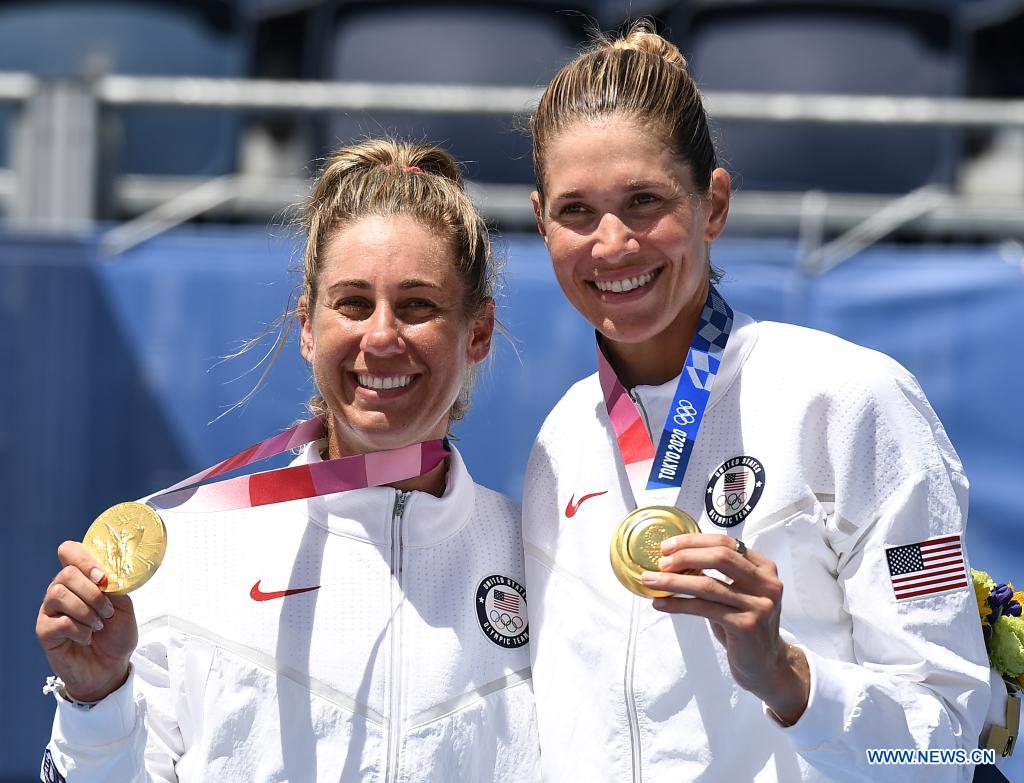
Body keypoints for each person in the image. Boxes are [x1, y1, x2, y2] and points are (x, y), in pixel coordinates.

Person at [522, 21, 991, 782]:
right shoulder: (560, 443)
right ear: (541, 221)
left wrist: (790, 678)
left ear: (713, 204)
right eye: (576, 210)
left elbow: (949, 745)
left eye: (644, 200)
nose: (611, 243)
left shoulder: (856, 403)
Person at [35, 139, 540, 782]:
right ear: (308, 326)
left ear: (478, 331)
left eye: (418, 305)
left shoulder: (538, 561)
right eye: (353, 303)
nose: (381, 335)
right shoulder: (195, 555)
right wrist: (95, 700)